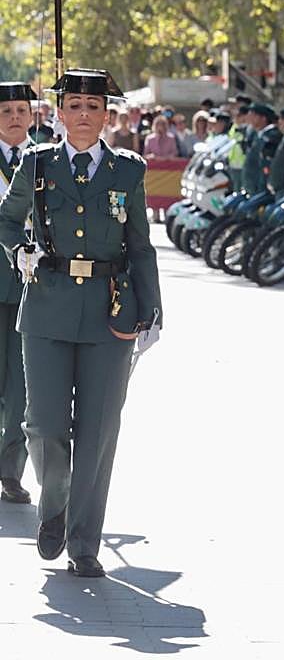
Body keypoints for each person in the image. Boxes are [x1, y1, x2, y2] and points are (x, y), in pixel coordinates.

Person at [0, 68, 162, 578]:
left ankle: (84, 542)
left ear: (107, 115)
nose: (85, 115)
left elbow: (140, 244)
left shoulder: (127, 170)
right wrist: (19, 250)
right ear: (60, 113)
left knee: (97, 432)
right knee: (43, 427)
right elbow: (7, 218)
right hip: (45, 305)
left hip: (109, 311)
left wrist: (152, 310)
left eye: (94, 107)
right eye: (75, 106)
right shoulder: (37, 163)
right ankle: (57, 502)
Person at [0, 82, 35, 504]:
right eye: (6, 110)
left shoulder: (46, 160)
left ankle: (11, 471)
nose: (13, 117)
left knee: (23, 387)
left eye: (20, 110)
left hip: (31, 285)